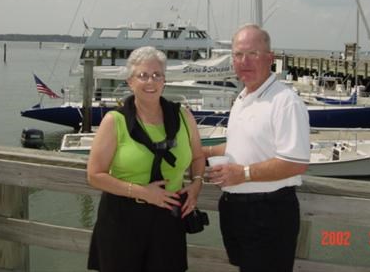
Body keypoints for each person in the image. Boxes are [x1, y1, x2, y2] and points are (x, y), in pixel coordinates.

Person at [87, 46, 205, 272]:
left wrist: (197, 184)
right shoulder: (115, 121)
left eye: (157, 75)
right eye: (142, 75)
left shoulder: (183, 116)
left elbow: (198, 156)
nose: (150, 81)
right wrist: (144, 193)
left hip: (169, 221)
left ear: (164, 80)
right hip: (122, 220)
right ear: (130, 81)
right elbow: (94, 175)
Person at [205, 24, 310, 272]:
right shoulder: (242, 98)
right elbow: (240, 144)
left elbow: (296, 162)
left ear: (270, 58)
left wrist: (243, 174)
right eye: (239, 55)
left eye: (253, 54)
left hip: (269, 212)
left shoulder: (285, 102)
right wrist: (204, 152)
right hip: (237, 209)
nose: (245, 61)